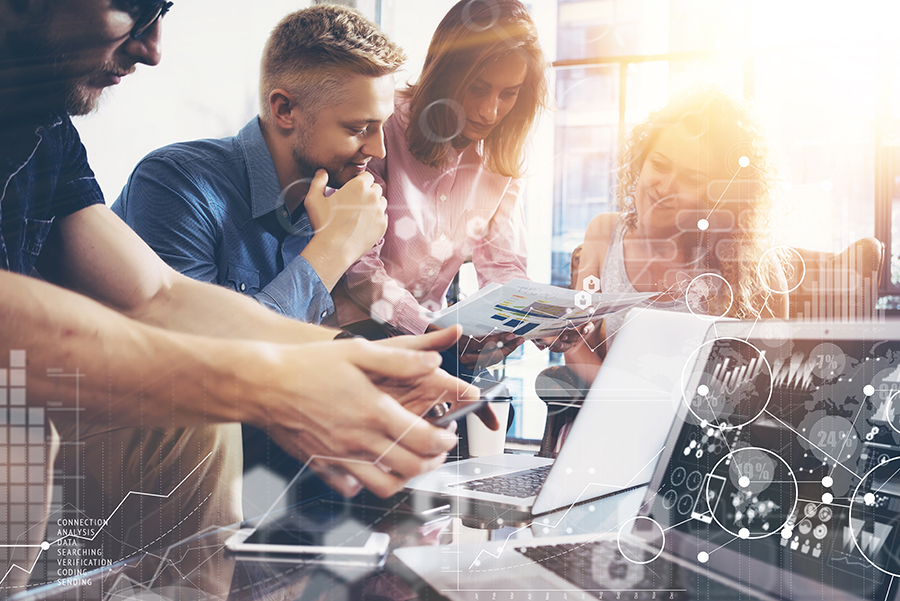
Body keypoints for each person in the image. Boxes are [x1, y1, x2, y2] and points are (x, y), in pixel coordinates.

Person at [0, 0, 480, 596]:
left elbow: (159, 293)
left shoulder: (45, 128)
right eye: (133, 10)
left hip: (103, 419)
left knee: (213, 428)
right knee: (27, 429)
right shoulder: (179, 179)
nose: (152, 48)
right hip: (47, 410)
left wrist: (342, 357)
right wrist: (277, 365)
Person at [334, 0, 578, 373]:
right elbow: (358, 270)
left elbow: (502, 265)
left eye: (508, 94)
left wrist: (542, 320)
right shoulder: (382, 128)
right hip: (349, 338)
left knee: (492, 411)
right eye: (477, 88)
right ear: (446, 74)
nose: (489, 111)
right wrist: (431, 330)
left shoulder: (501, 159)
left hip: (432, 344)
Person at [558, 86, 789, 393]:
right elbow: (577, 343)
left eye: (692, 179)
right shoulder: (603, 233)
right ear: (642, 161)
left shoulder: (750, 262)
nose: (664, 187)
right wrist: (620, 396)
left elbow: (770, 377)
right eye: (660, 165)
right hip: (616, 410)